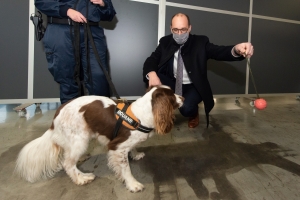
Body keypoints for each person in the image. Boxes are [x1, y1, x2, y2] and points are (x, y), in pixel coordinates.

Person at [143, 13, 254, 128]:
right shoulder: (165, 42)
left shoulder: (200, 42)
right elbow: (152, 59)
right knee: (150, 77)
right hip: (174, 82)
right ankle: (163, 113)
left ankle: (194, 113)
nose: (179, 33)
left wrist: (236, 49)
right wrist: (152, 74)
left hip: (193, 85)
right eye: (175, 30)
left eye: (183, 30)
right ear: (171, 28)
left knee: (186, 109)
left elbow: (218, 51)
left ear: (190, 28)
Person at [35, 0, 116, 104]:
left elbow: (109, 15)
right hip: (61, 30)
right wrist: (67, 11)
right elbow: (42, 2)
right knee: (68, 79)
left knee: (99, 77)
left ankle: (100, 117)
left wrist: (103, 4)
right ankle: (71, 118)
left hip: (91, 31)